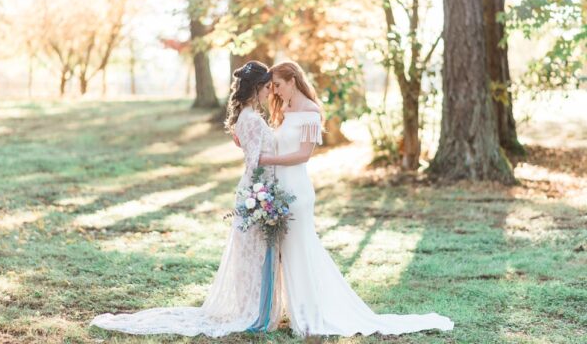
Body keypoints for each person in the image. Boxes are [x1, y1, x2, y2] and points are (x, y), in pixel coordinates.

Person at [258, 60, 455, 337]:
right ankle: (296, 310)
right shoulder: (286, 111)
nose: (275, 92)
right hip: (279, 188)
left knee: (301, 248)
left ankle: (310, 313)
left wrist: (267, 159)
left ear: (292, 80)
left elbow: (303, 155)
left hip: (298, 191)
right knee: (288, 251)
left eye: (277, 85)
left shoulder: (311, 113)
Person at [89, 61, 284, 337]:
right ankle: (251, 310)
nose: (269, 93)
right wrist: (287, 162)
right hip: (256, 191)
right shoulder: (250, 119)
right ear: (255, 88)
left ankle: (257, 306)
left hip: (260, 190)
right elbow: (254, 162)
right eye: (266, 87)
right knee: (251, 254)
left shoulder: (251, 115)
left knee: (255, 252)